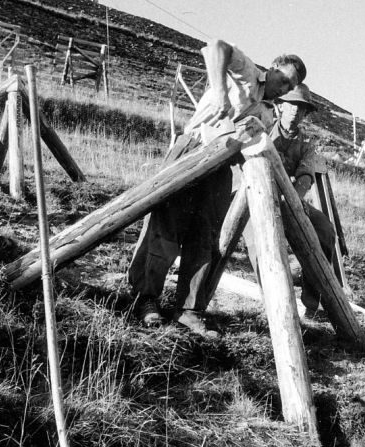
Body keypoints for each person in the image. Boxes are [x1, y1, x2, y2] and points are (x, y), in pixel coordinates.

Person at [128, 39, 306, 338]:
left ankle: (189, 309)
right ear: (272, 69)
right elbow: (215, 48)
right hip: (194, 149)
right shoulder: (247, 71)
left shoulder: (267, 112)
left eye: (290, 87)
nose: (284, 88)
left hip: (221, 167)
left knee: (206, 234)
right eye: (284, 79)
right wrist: (222, 92)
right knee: (166, 226)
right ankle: (146, 299)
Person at [268, 83, 336, 317]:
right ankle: (275, 306)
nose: (295, 111)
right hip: (257, 197)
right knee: (264, 246)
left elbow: (307, 175)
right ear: (281, 107)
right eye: (291, 105)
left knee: (325, 231)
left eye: (301, 107)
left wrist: (295, 202)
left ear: (306, 113)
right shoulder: (264, 129)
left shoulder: (307, 143)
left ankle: (311, 302)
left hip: (291, 199)